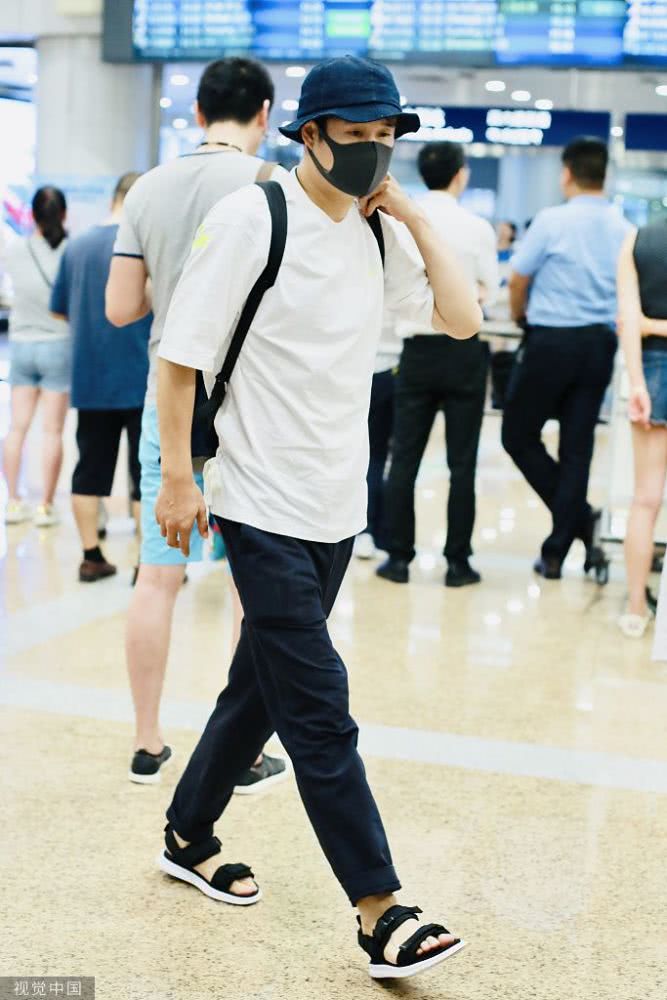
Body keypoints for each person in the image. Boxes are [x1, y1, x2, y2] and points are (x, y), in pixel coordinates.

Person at [154, 55, 481, 980]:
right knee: (316, 705)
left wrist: (413, 217)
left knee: (257, 689)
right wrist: (177, 479)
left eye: (386, 139)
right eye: (356, 137)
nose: (374, 152)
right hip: (257, 500)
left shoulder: (375, 235)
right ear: (309, 134)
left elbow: (461, 320)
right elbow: (178, 357)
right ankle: (381, 909)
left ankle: (186, 833)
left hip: (336, 507)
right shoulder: (252, 217)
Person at [106, 57, 286, 788]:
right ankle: (241, 751)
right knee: (251, 585)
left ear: (199, 112)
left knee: (158, 576)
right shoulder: (273, 184)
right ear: (264, 113)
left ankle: (147, 743)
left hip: (168, 398)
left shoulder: (148, 188)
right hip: (249, 403)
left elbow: (122, 306)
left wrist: (176, 281)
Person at [502, 137, 631, 579]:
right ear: (604, 175)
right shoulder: (622, 226)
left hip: (551, 342)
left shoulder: (552, 220)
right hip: (599, 345)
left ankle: (579, 523)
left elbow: (518, 278)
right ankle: (558, 549)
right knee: (577, 449)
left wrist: (520, 317)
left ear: (567, 174)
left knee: (518, 434)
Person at [377, 142, 498, 587]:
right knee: (462, 464)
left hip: (416, 353)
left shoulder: (399, 219)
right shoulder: (477, 227)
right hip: (464, 352)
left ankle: (398, 558)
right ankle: (458, 563)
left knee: (404, 459)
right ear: (460, 175)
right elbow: (489, 290)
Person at [50, 172, 150, 582]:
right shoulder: (144, 244)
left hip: (90, 376)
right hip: (142, 378)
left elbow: (59, 309)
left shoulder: (76, 247)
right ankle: (146, 562)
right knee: (145, 475)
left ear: (113, 199)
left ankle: (91, 557)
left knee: (89, 470)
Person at [3, 187, 70, 527]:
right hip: (59, 345)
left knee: (17, 428)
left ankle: (14, 502)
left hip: (22, 345)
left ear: (32, 215)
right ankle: (45, 506)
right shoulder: (70, 250)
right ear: (64, 215)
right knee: (52, 431)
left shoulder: (15, 249)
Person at [617, 219, 667, 637]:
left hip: (651, 369)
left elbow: (629, 319)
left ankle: (635, 608)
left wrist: (636, 382)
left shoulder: (638, 239)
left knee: (645, 499)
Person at [353, 315, 402, 560]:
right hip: (395, 368)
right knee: (386, 457)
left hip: (368, 369)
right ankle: (378, 532)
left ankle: (368, 531)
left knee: (373, 456)